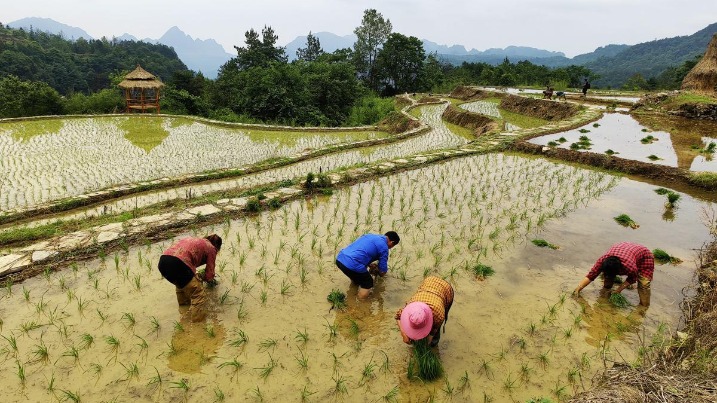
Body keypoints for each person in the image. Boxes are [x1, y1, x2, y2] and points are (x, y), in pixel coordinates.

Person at [158, 234, 222, 321]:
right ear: (217, 246)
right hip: (179, 264)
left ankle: (184, 312)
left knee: (182, 285)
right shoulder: (211, 248)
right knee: (198, 294)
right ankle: (198, 325)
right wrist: (205, 280)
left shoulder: (194, 240)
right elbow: (209, 274)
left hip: (163, 262)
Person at [573, 242, 654, 307]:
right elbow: (591, 275)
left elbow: (632, 278)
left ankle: (644, 306)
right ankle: (606, 289)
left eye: (612, 275)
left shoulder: (629, 267)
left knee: (644, 284)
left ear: (619, 270)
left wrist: (618, 291)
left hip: (644, 255)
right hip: (624, 248)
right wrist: (578, 289)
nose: (607, 277)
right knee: (608, 279)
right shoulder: (602, 261)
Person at [335, 231, 400, 299]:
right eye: (392, 246)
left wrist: (369, 264)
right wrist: (377, 270)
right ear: (392, 242)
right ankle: (360, 304)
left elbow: (361, 252)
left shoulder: (369, 235)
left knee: (357, 278)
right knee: (368, 283)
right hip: (353, 264)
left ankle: (351, 298)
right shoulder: (384, 247)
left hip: (340, 258)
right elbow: (382, 272)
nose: (390, 248)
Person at [396, 276, 454, 347]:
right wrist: (403, 334)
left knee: (433, 341)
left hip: (445, 289)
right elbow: (397, 316)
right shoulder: (410, 307)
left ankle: (434, 343)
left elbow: (433, 331)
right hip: (429, 282)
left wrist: (427, 344)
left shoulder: (438, 315)